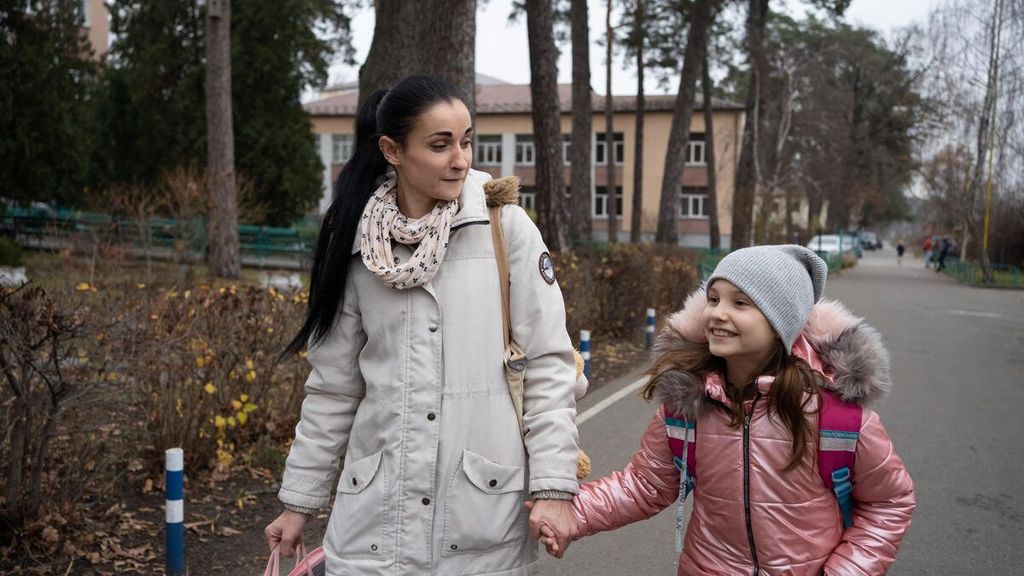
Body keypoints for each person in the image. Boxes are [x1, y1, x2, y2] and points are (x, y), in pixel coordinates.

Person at [265, 74, 581, 575]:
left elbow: (549, 366)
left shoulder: (505, 228)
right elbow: (333, 389)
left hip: (481, 510)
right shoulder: (354, 242)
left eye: (466, 140)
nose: (461, 158)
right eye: (440, 144)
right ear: (392, 150)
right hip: (374, 517)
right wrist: (299, 501)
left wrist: (554, 487)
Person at [535, 245, 915, 575]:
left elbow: (889, 502)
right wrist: (573, 514)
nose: (717, 313)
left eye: (741, 303)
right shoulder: (688, 405)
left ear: (781, 321)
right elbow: (645, 485)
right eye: (713, 299)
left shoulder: (836, 417)